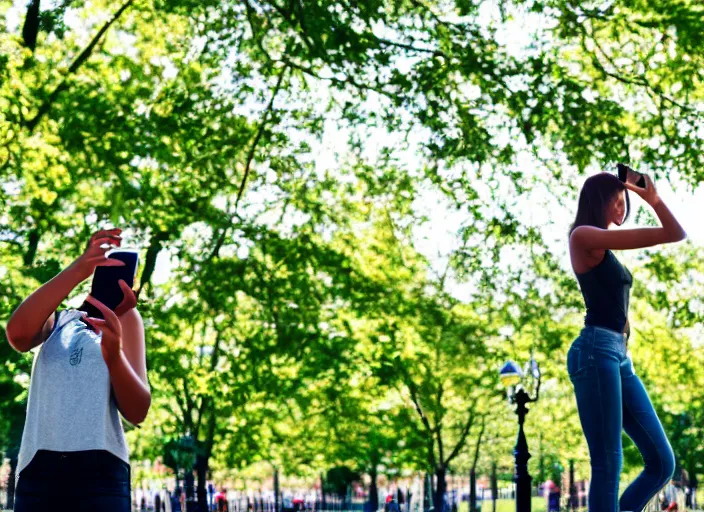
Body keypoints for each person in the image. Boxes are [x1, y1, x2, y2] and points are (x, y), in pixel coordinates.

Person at [6, 227, 151, 512]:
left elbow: (138, 411)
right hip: (39, 472)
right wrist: (80, 268)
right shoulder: (58, 321)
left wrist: (114, 356)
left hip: (103, 476)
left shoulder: (126, 320)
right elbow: (18, 335)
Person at [567, 170, 685, 511]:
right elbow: (670, 234)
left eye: (625, 202)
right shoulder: (582, 237)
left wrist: (653, 199)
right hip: (594, 351)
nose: (623, 209)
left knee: (662, 463)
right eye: (618, 201)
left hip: (618, 357)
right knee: (608, 463)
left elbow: (676, 233)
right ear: (600, 200)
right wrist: (654, 200)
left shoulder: (601, 245)